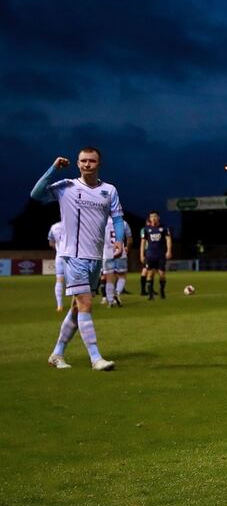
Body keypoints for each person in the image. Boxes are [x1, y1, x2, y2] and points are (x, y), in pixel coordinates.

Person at [31, 148, 122, 371]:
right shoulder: (66, 187)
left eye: (92, 161)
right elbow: (36, 194)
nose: (87, 164)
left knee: (76, 307)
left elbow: (118, 217)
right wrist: (53, 168)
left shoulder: (109, 190)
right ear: (78, 164)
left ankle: (57, 353)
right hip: (74, 256)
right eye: (83, 161)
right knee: (86, 304)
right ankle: (95, 358)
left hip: (95, 257)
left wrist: (119, 241)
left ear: (99, 163)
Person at [140, 211, 172, 300]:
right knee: (150, 274)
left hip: (161, 255)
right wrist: (142, 255)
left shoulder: (164, 228)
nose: (153, 218)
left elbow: (168, 239)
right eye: (151, 217)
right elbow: (143, 243)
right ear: (149, 219)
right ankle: (151, 295)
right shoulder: (146, 229)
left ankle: (162, 290)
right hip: (150, 255)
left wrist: (169, 251)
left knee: (162, 274)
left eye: (155, 216)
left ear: (158, 217)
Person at [101, 216, 132, 307]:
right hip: (120, 252)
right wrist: (127, 249)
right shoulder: (124, 223)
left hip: (107, 254)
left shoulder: (102, 223)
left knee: (109, 279)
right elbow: (129, 239)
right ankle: (117, 293)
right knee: (122, 276)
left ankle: (110, 301)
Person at [47, 221, 65, 311]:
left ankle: (59, 305)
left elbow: (51, 243)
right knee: (76, 281)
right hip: (71, 257)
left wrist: (58, 248)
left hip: (59, 256)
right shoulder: (73, 224)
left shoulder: (54, 227)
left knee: (59, 280)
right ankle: (77, 303)